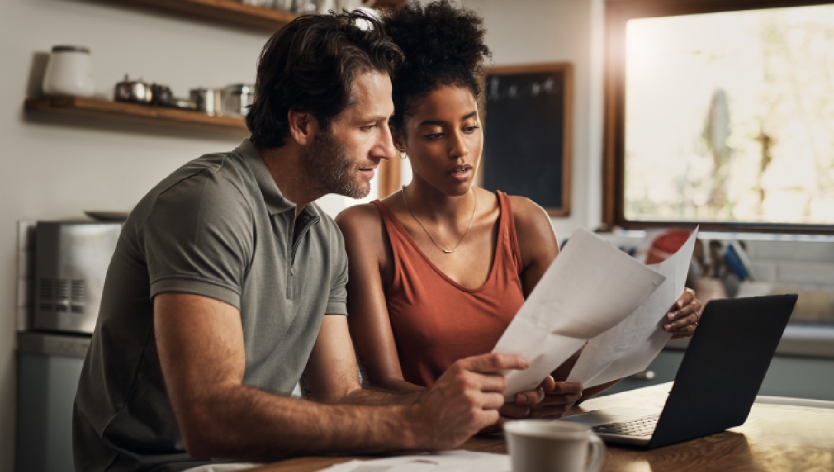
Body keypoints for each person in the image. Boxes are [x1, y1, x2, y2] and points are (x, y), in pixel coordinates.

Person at [72, 11, 537, 472]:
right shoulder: (208, 203)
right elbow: (210, 418)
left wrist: (471, 406)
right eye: (366, 126)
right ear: (302, 124)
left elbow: (343, 395)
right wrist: (416, 425)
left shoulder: (322, 236)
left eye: (387, 124)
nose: (386, 147)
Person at [336, 0, 702, 422]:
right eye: (435, 134)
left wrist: (655, 326)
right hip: (424, 452)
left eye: (470, 127)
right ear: (398, 137)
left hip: (523, 446)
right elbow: (383, 386)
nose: (460, 150)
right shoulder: (364, 231)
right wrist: (493, 410)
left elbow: (566, 375)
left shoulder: (525, 222)